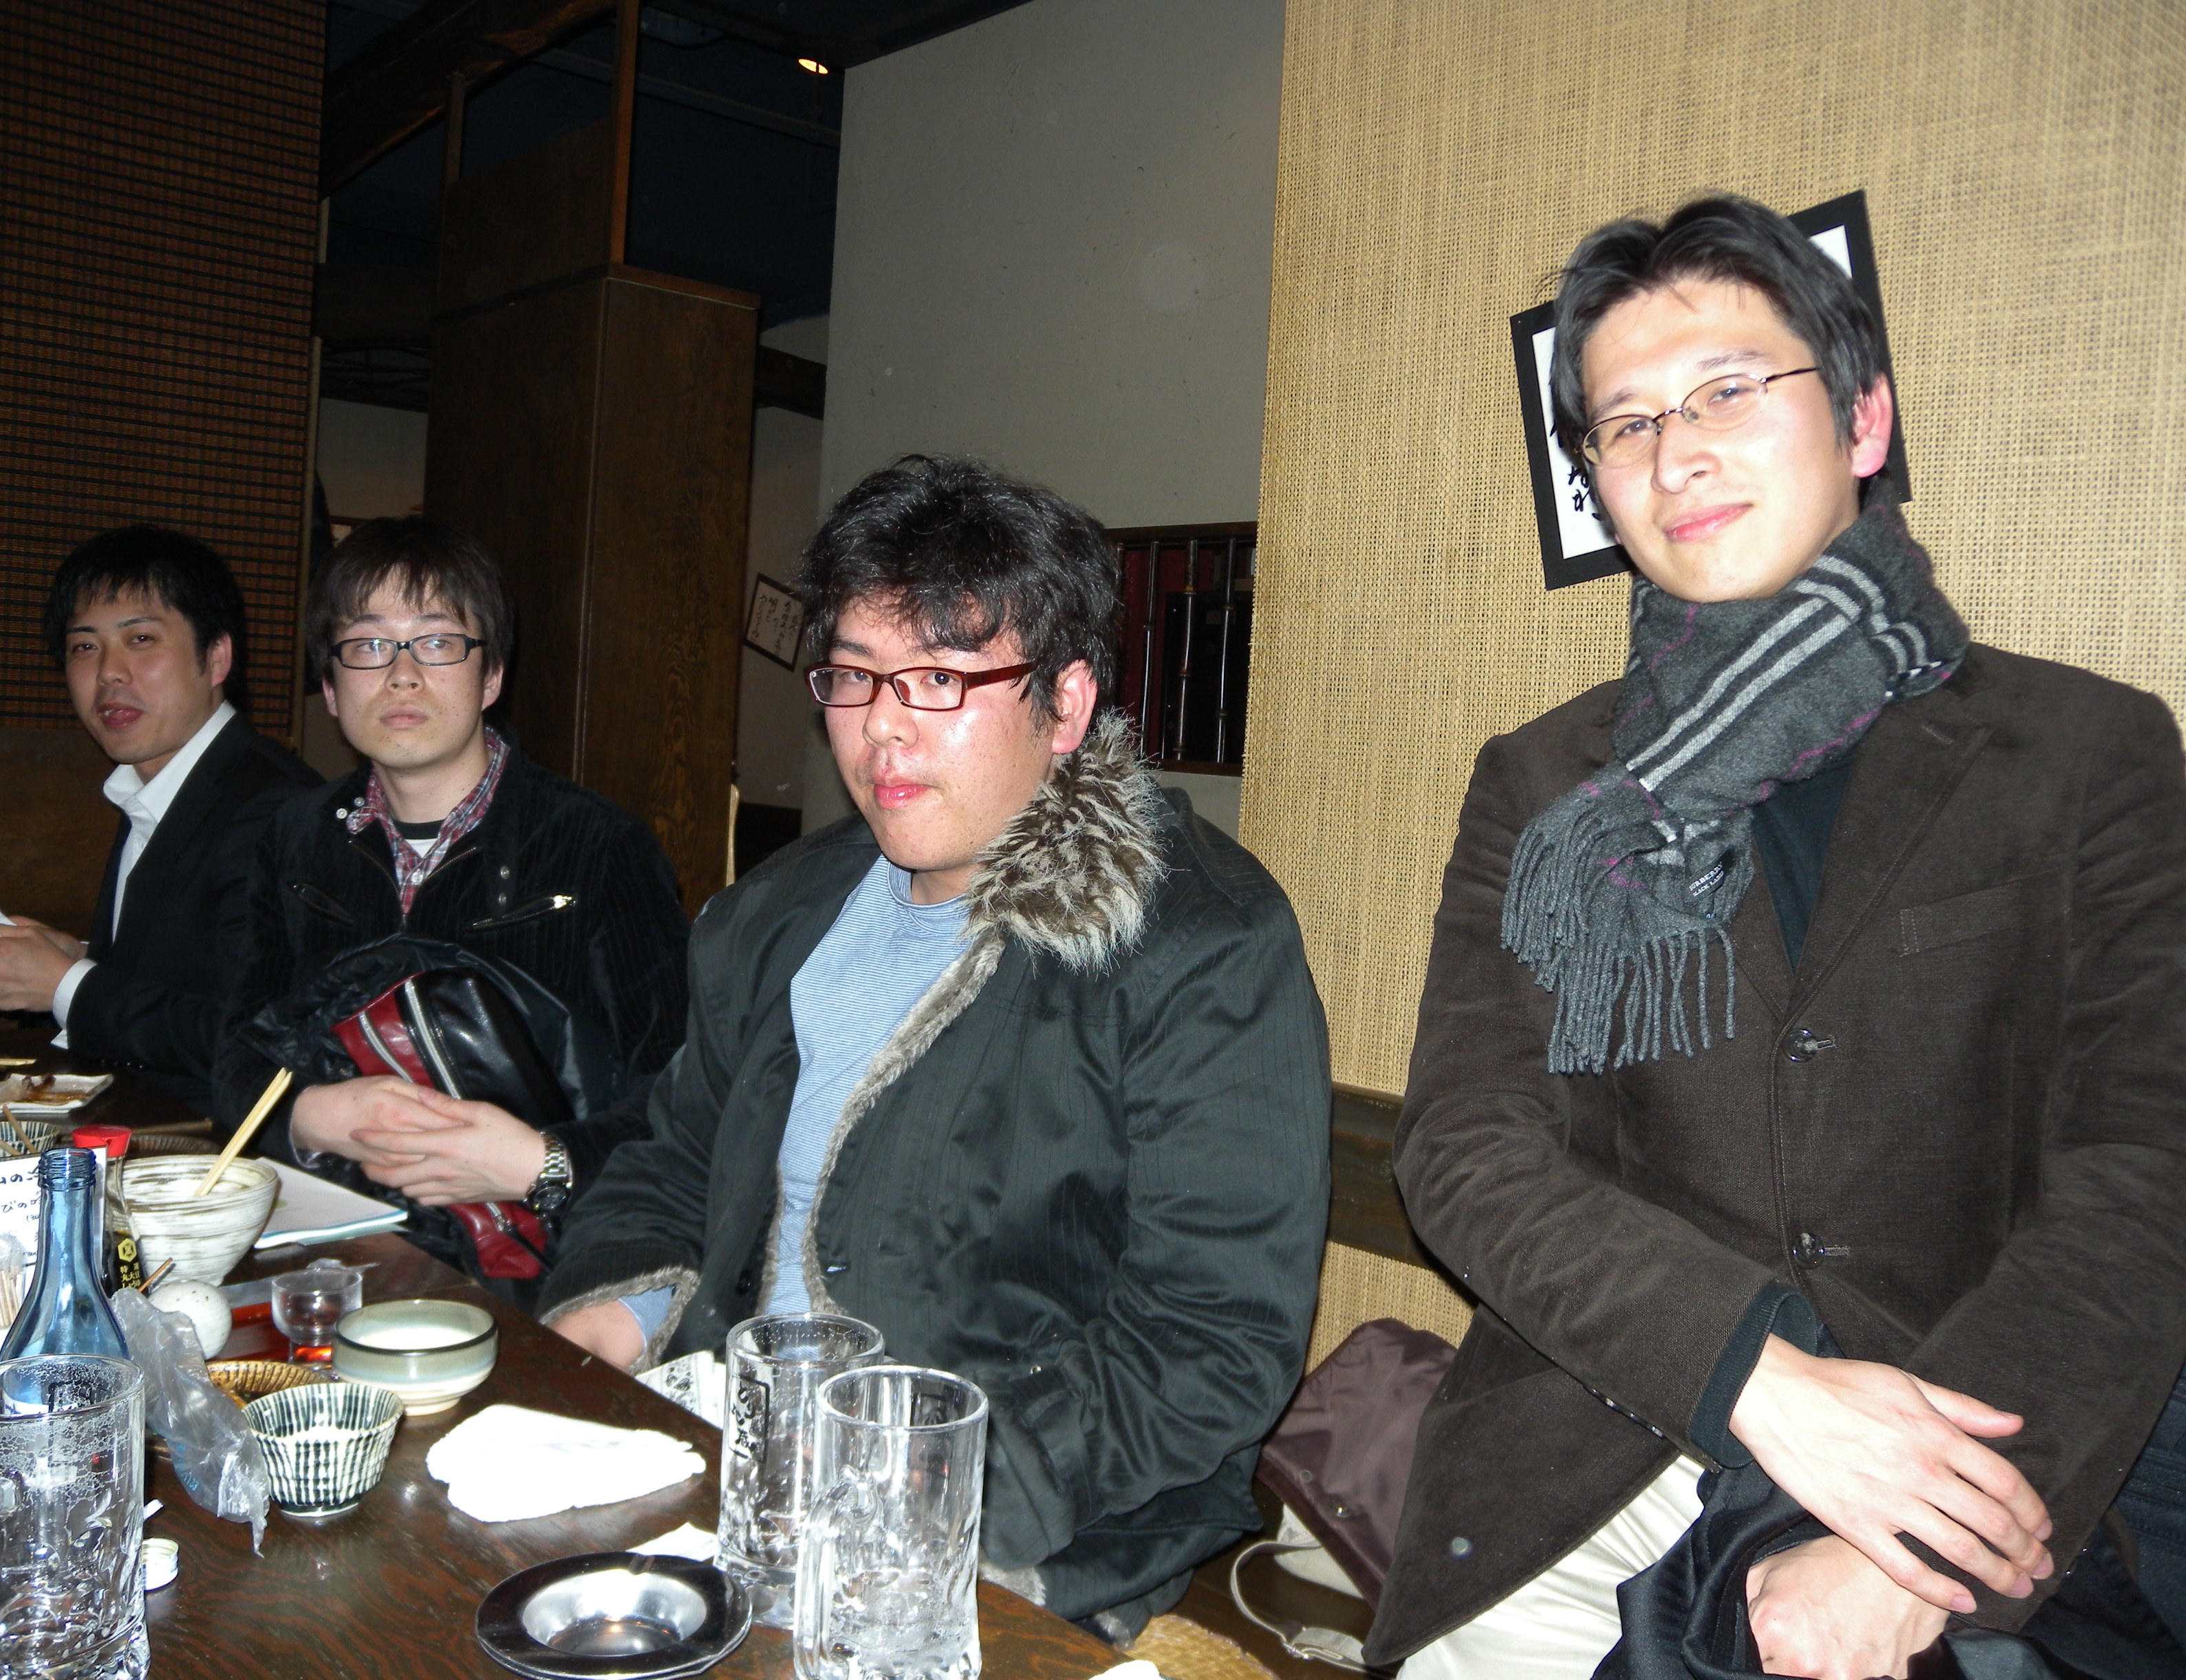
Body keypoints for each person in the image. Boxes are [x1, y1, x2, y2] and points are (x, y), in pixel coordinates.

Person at [1366, 196, 2186, 1680]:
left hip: (1962, 1439)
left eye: (1728, 390)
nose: (1674, 455)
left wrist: (1913, 1543)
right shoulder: (1546, 786)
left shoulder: (2085, 753)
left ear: (1863, 419)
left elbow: (2142, 1171)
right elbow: (1466, 1148)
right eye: (1625, 424)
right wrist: (1754, 1374)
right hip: (1601, 1445)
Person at [539, 455, 1332, 1640]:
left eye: (941, 679)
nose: (881, 728)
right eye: (854, 676)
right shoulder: (777, 913)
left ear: (1066, 706)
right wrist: (609, 1324)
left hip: (1020, 1529)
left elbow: (1208, 1340)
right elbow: (675, 1161)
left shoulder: (1197, 943)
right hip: (724, 1458)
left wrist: (910, 1490)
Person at [212, 517, 690, 1294]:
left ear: (491, 675)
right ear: (329, 687)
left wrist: (539, 1161)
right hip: (342, 1251)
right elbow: (236, 1054)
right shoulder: (297, 840)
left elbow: (682, 1092)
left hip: (541, 1265)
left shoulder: (600, 846)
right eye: (368, 645)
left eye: (437, 643)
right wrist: (312, 1113)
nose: (402, 676)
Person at [0, 526, 319, 1113]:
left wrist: (66, 986)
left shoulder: (277, 807)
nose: (109, 673)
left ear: (216, 657)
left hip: (226, 1153)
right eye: (85, 647)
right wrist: (83, 961)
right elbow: (194, 975)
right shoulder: (156, 785)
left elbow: (260, 1041)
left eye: (141, 639)